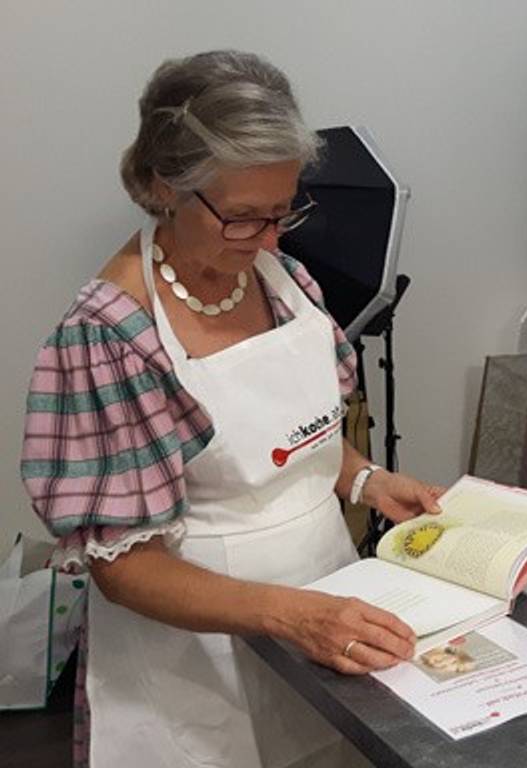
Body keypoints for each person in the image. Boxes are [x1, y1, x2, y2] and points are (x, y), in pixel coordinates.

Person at [21, 50, 442, 768]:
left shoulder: (283, 279)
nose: (272, 239)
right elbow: (125, 567)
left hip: (322, 614)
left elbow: (290, 436)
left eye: (284, 211)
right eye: (244, 217)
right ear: (163, 188)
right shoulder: (110, 336)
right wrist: (287, 613)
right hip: (194, 662)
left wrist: (364, 480)